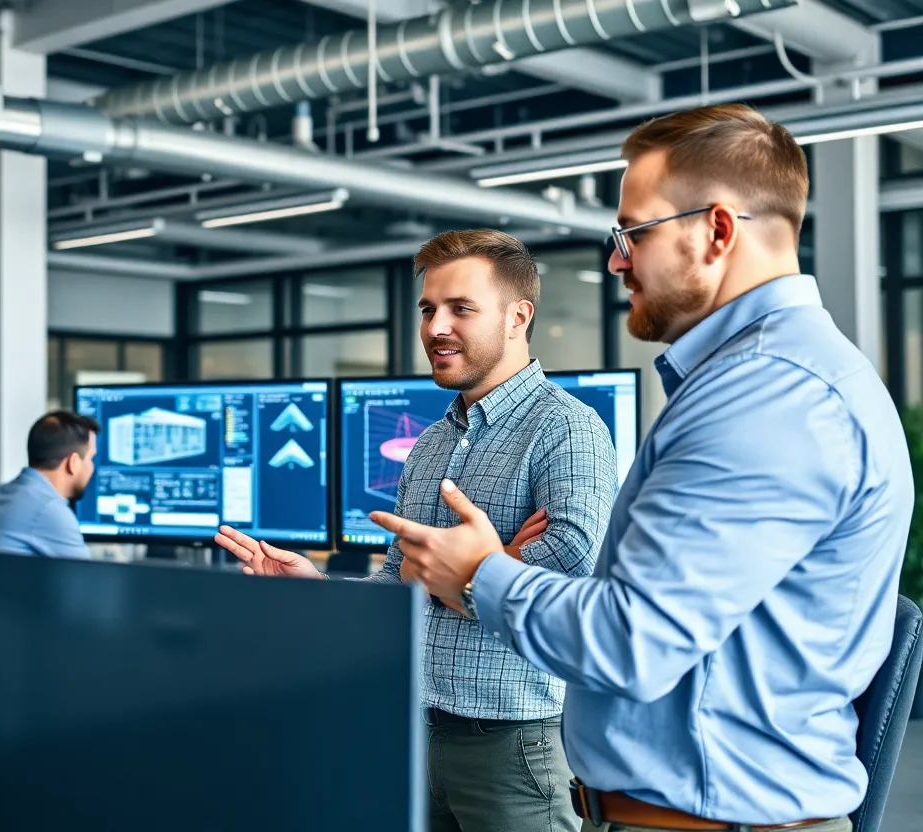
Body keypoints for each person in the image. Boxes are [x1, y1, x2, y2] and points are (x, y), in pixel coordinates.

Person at [375, 104, 913, 832]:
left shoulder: (771, 396)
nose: (616, 259)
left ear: (717, 231)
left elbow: (629, 640)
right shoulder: (748, 384)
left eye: (633, 232)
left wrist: (478, 572)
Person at [216, 229, 618, 832]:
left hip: (514, 746)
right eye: (428, 309)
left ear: (518, 317)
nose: (435, 328)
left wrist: (466, 571)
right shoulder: (429, 446)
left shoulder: (568, 428)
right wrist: (317, 584)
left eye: (462, 308)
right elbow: (399, 587)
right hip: (417, 732)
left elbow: (571, 571)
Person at [0, 411, 98, 559]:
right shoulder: (49, 509)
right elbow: (89, 580)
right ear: (74, 462)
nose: (92, 467)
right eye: (91, 458)